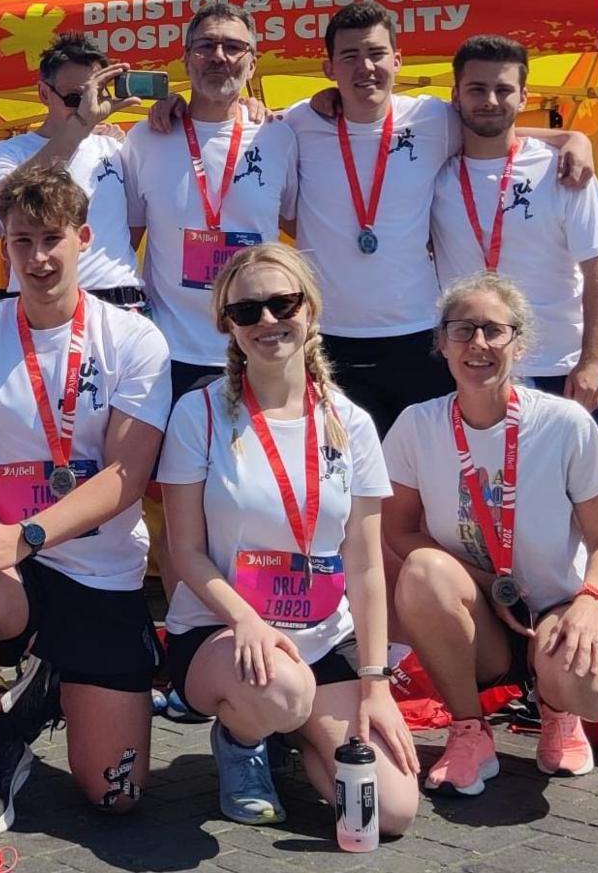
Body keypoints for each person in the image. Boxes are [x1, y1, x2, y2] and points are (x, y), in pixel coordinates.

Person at [0, 164, 170, 834]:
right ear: (6, 245)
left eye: (53, 237)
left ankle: (48, 685)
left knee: (118, 796)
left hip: (98, 574)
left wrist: (21, 533)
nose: (39, 256)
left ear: (84, 238)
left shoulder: (135, 340)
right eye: (22, 241)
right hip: (10, 573)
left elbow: (125, 477)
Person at [159, 243, 419, 836]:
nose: (268, 322)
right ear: (228, 325)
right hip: (222, 633)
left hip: (323, 639)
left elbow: (366, 564)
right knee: (280, 687)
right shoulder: (199, 414)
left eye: (283, 304)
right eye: (247, 311)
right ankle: (243, 736)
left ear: (312, 310)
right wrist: (245, 620)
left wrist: (375, 685)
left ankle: (295, 734)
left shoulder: (350, 423)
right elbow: (185, 551)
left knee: (392, 813)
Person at [285, 2, 596, 437]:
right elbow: (238, 127)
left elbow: (493, 125)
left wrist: (571, 136)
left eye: (376, 54)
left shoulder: (431, 118)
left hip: (420, 337)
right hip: (329, 336)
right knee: (344, 477)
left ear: (398, 59)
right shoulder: (298, 123)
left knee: (427, 475)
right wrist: (173, 109)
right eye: (350, 56)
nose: (366, 67)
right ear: (328, 67)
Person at [382, 272, 598, 795]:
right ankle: (469, 729)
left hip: (561, 608)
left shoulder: (565, 423)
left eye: (494, 331)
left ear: (519, 344)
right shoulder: (415, 425)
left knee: (596, 691)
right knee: (423, 572)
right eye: (462, 330)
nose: (478, 344)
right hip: (480, 618)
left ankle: (558, 708)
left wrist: (590, 602)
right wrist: (480, 582)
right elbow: (398, 531)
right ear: (442, 344)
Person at [429, 35, 598, 464]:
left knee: (593, 509)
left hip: (562, 366)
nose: (490, 100)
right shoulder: (435, 172)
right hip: (476, 368)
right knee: (488, 505)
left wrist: (595, 360)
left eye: (503, 90)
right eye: (476, 89)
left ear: (524, 97)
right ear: (455, 97)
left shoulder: (563, 170)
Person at [121, 4, 297, 397]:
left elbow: (302, 226)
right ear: (186, 59)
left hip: (257, 349)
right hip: (166, 354)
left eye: (234, 47)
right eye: (206, 46)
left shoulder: (279, 136)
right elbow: (125, 243)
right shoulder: (145, 139)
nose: (220, 56)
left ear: (252, 64)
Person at [0, 35, 144, 309]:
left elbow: (135, 224)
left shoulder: (117, 146)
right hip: (40, 305)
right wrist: (81, 125)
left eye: (95, 95)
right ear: (44, 93)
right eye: (75, 98)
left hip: (117, 302)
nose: (87, 106)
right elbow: (10, 200)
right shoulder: (5, 151)